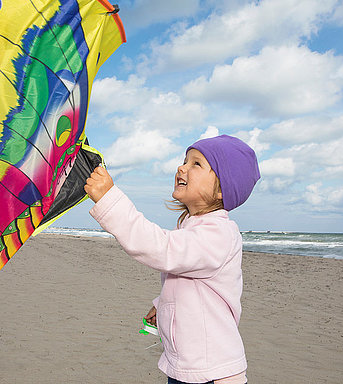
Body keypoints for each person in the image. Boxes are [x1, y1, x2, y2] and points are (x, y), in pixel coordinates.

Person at [84, 134, 260, 384]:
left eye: (196, 164)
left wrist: (109, 200)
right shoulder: (191, 227)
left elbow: (161, 249)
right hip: (185, 367)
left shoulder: (219, 234)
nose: (182, 167)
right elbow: (189, 281)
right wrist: (163, 303)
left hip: (214, 373)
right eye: (184, 161)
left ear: (222, 189)